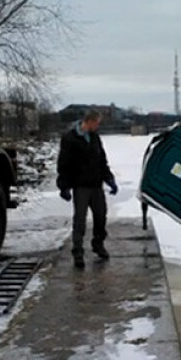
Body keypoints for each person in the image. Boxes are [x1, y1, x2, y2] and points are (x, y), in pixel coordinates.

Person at [57, 109, 118, 269]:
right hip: (80, 186)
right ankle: (78, 252)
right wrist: (64, 186)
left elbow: (102, 161)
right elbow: (63, 164)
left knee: (101, 217)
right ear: (89, 121)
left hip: (96, 185)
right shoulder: (70, 138)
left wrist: (109, 179)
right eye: (97, 123)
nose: (98, 126)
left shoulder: (95, 138)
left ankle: (98, 244)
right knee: (80, 220)